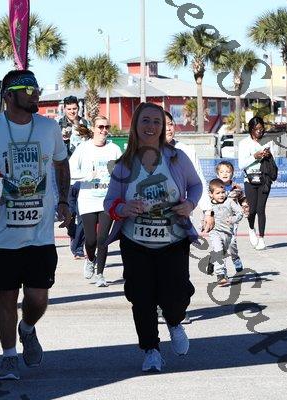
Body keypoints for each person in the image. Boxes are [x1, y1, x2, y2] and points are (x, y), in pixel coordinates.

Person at [0, 69, 72, 380]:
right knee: (5, 297)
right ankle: (8, 356)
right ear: (8, 95)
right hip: (0, 235)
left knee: (38, 297)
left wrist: (64, 201)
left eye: (37, 89)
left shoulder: (49, 128)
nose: (35, 94)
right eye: (28, 90)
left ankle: (28, 328)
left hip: (40, 234)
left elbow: (61, 163)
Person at [104, 103, 203, 372]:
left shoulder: (176, 158)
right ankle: (151, 350)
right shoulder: (124, 165)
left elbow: (196, 185)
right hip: (135, 242)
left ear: (163, 127)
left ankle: (175, 320)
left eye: (157, 121)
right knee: (141, 298)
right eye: (145, 120)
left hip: (173, 240)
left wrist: (189, 204)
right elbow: (110, 202)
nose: (151, 126)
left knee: (176, 296)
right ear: (136, 125)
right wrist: (124, 209)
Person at [69, 115, 122, 287]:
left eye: (107, 127)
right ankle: (90, 259)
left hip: (107, 200)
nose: (104, 130)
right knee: (91, 240)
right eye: (100, 127)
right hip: (88, 199)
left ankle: (100, 274)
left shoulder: (114, 149)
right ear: (93, 128)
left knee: (102, 239)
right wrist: (86, 176)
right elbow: (70, 170)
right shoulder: (83, 148)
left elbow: (123, 172)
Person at [164, 111, 214, 233]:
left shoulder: (186, 151)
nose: (168, 128)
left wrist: (208, 211)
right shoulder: (143, 153)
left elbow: (198, 181)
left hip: (180, 216)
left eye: (170, 124)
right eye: (164, 125)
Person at [58, 95, 90, 260]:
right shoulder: (58, 125)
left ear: (79, 108)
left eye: (74, 109)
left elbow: (92, 143)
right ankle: (73, 234)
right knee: (69, 213)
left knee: (84, 213)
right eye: (69, 109)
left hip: (84, 175)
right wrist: (63, 140)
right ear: (64, 109)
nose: (72, 111)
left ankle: (78, 247)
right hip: (66, 174)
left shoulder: (85, 124)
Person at [238, 116, 276, 250]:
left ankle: (261, 239)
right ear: (251, 129)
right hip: (250, 180)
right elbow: (241, 165)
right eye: (256, 129)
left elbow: (273, 161)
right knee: (252, 210)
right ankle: (251, 228)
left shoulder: (268, 141)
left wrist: (268, 155)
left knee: (261, 209)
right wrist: (255, 156)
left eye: (261, 128)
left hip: (264, 179)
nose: (259, 131)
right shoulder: (244, 143)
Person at [208, 161, 246, 274]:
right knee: (219, 244)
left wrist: (246, 209)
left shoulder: (236, 188)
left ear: (232, 174)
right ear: (217, 174)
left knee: (231, 242)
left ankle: (235, 258)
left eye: (227, 171)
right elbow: (207, 204)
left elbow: (243, 200)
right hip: (217, 222)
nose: (225, 174)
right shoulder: (213, 186)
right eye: (222, 172)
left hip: (231, 221)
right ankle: (218, 267)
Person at [206, 178, 244, 286]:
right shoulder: (209, 205)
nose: (221, 195)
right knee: (219, 251)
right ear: (211, 194)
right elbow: (205, 217)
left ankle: (211, 260)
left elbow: (240, 213)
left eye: (223, 192)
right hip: (215, 232)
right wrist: (203, 224)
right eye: (218, 193)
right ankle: (221, 275)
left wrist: (233, 219)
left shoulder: (229, 202)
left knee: (222, 252)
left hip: (228, 233)